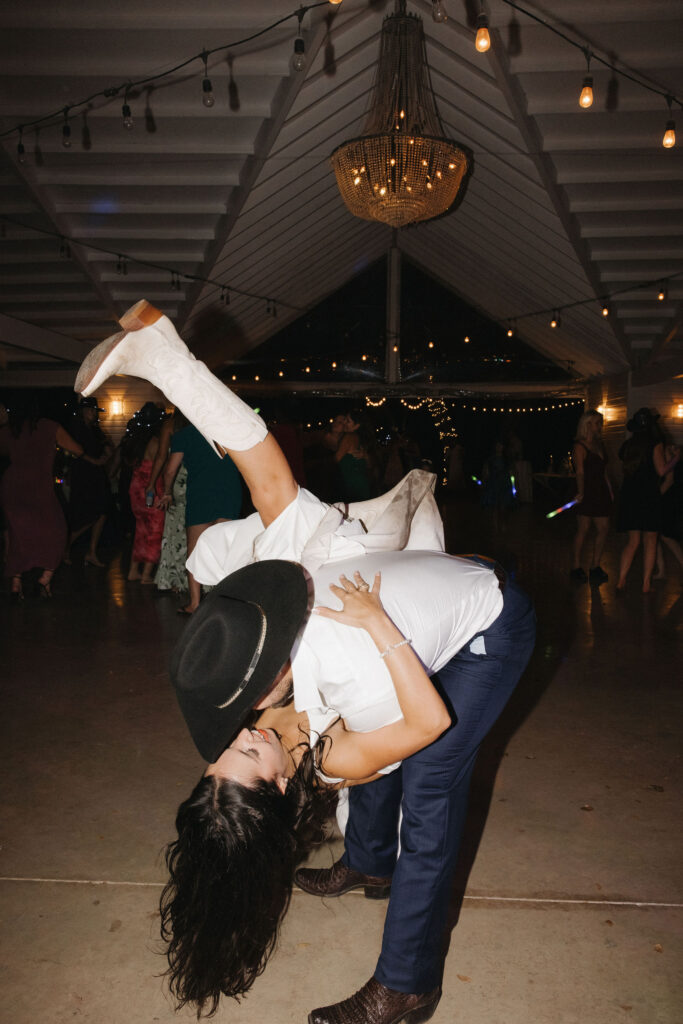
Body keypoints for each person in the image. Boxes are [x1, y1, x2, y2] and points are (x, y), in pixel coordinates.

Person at [74, 299, 536, 1024]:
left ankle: (380, 897)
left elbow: (266, 477)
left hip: (472, 599)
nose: (241, 738)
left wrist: (171, 366)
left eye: (218, 756)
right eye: (249, 760)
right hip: (492, 629)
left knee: (394, 753)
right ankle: (405, 966)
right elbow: (425, 719)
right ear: (282, 782)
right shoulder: (348, 709)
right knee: (428, 784)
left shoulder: (260, 656)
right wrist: (380, 624)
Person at [0, 395, 84, 599]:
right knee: (57, 530)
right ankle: (44, 579)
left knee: (18, 534)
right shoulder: (49, 427)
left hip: (12, 485)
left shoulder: (8, 430)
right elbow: (78, 450)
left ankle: (16, 584)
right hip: (39, 486)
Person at [157, 421, 242, 613]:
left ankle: (195, 603)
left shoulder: (184, 435)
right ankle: (227, 599)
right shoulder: (229, 429)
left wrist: (167, 491)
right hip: (230, 492)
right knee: (227, 548)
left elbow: (170, 469)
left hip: (201, 494)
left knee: (195, 549)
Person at [616, 408, 680, 593]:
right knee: (650, 540)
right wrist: (676, 459)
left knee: (632, 541)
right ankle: (645, 584)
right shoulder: (655, 444)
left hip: (629, 495)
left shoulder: (628, 445)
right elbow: (661, 470)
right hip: (648, 496)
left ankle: (621, 580)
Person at [121, 402, 167, 583]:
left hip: (136, 486)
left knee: (140, 529)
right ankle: (146, 574)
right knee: (155, 530)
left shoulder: (135, 441)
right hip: (152, 486)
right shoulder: (156, 442)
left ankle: (134, 570)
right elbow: (161, 464)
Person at [65, 397, 114, 567]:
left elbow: (106, 448)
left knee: (102, 511)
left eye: (95, 411)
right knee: (86, 514)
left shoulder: (95, 430)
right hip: (83, 475)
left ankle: (91, 552)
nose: (94, 414)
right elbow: (74, 451)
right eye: (92, 410)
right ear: (84, 411)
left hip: (97, 476)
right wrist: (94, 461)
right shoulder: (76, 429)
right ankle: (65, 547)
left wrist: (106, 455)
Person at [570, 410, 613, 583]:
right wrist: (581, 492)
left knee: (603, 528)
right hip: (587, 490)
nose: (600, 426)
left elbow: (604, 471)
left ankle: (595, 566)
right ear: (587, 424)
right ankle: (575, 566)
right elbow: (579, 471)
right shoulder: (579, 446)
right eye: (597, 423)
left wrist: (609, 489)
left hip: (600, 490)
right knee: (584, 529)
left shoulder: (599, 444)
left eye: (600, 423)